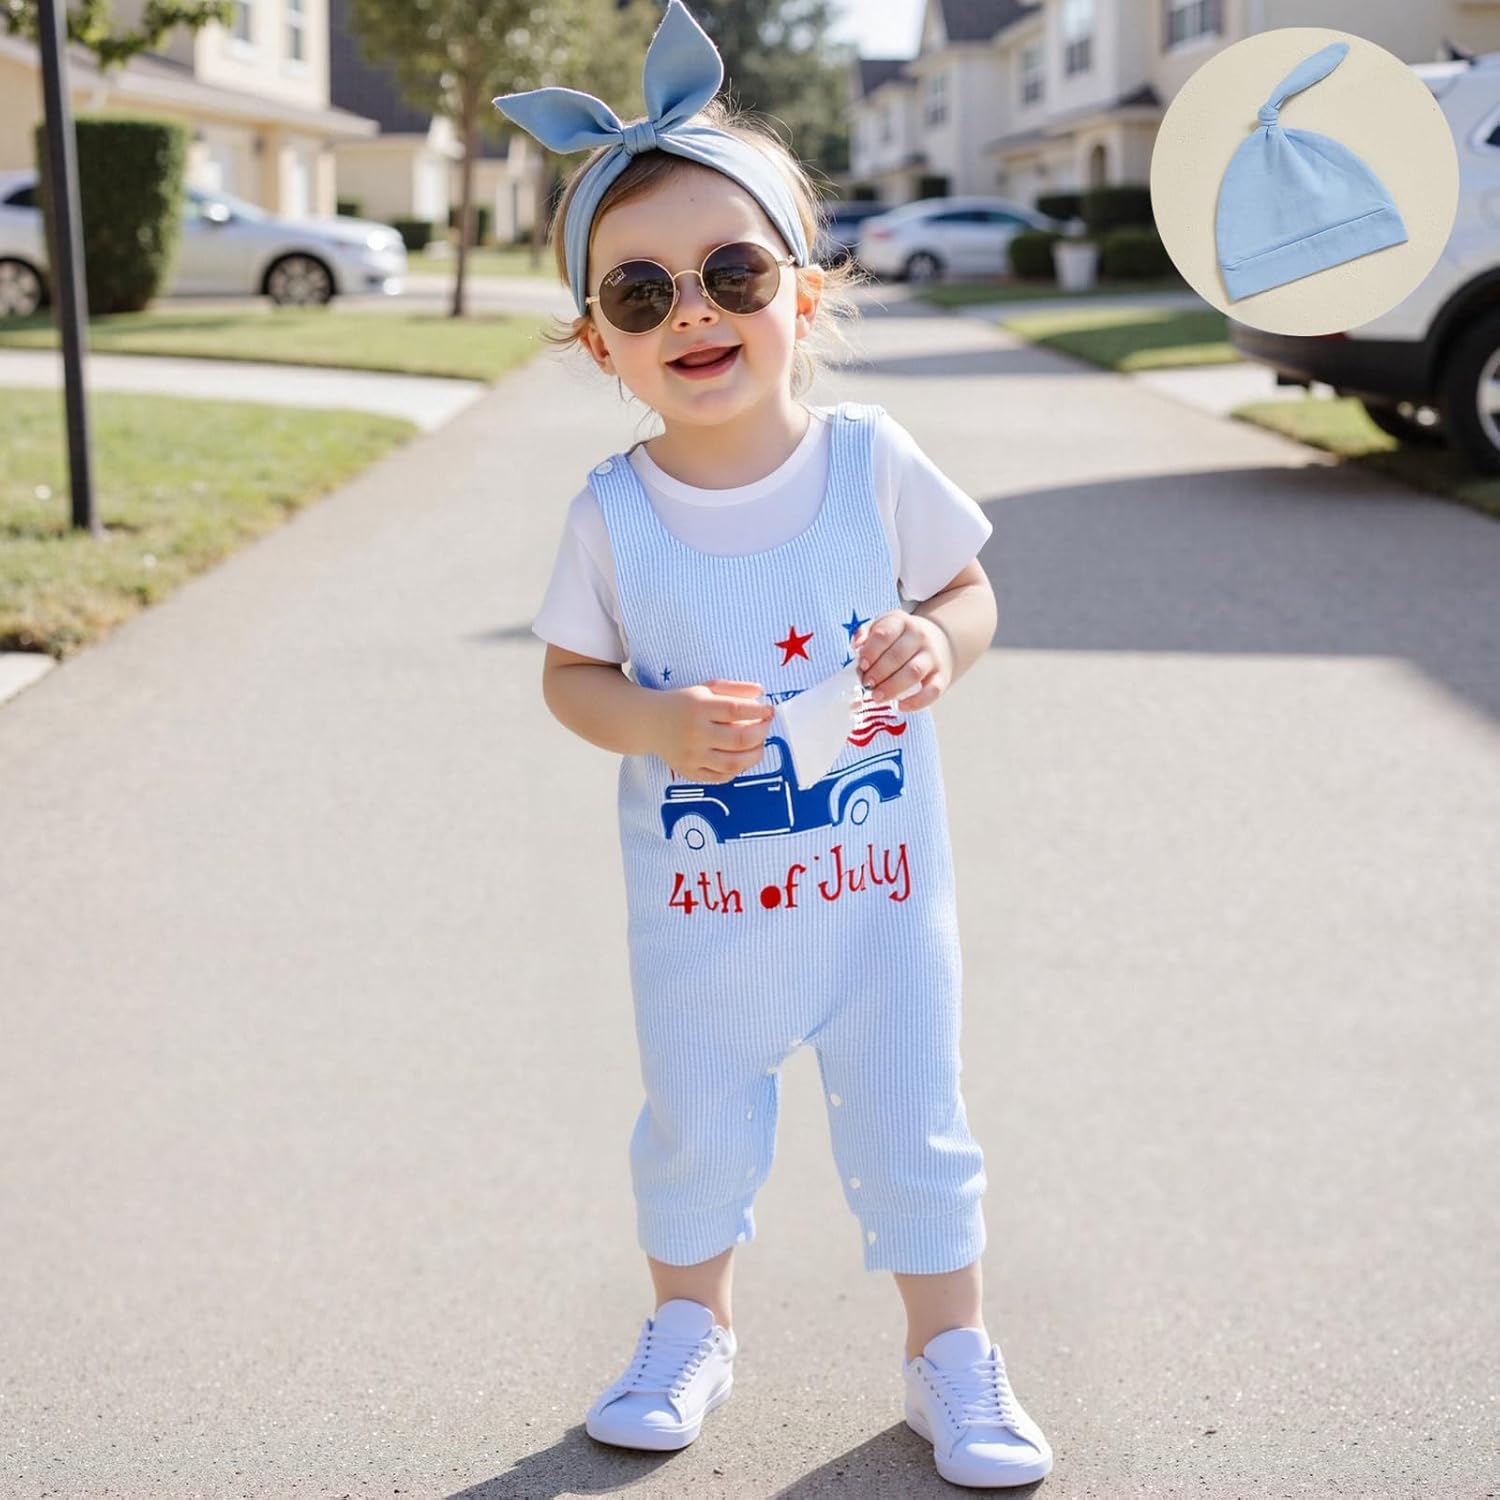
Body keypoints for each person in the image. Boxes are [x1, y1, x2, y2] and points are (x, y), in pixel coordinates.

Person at [496, 2, 1053, 1487]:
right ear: (598, 341)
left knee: (917, 1125)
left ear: (802, 294)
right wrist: (657, 723)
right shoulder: (612, 515)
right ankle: (692, 1329)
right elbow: (569, 680)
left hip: (880, 904)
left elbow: (969, 588)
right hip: (706, 920)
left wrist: (940, 641)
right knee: (693, 1129)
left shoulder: (872, 464)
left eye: (732, 271)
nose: (695, 309)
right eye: (641, 291)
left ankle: (951, 1356)